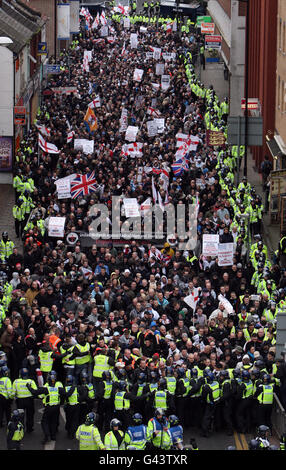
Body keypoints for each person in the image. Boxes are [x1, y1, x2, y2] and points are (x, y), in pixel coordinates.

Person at [27, 370, 65, 444]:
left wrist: (29, 387)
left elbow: (35, 392)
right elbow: (65, 393)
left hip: (49, 407)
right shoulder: (58, 388)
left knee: (44, 422)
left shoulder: (46, 388)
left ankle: (47, 435)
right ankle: (53, 436)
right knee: (54, 421)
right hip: (57, 407)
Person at [12, 367, 37, 434]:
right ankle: (29, 428)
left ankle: (21, 429)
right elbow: (35, 391)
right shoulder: (31, 381)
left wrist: (13, 398)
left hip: (20, 401)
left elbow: (13, 393)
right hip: (29, 400)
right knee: (30, 415)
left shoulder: (16, 381)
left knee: (20, 415)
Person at [201, 370, 221, 437]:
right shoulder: (216, 383)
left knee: (206, 418)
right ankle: (212, 428)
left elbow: (203, 396)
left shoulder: (207, 387)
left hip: (210, 404)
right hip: (216, 402)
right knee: (213, 416)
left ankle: (205, 432)